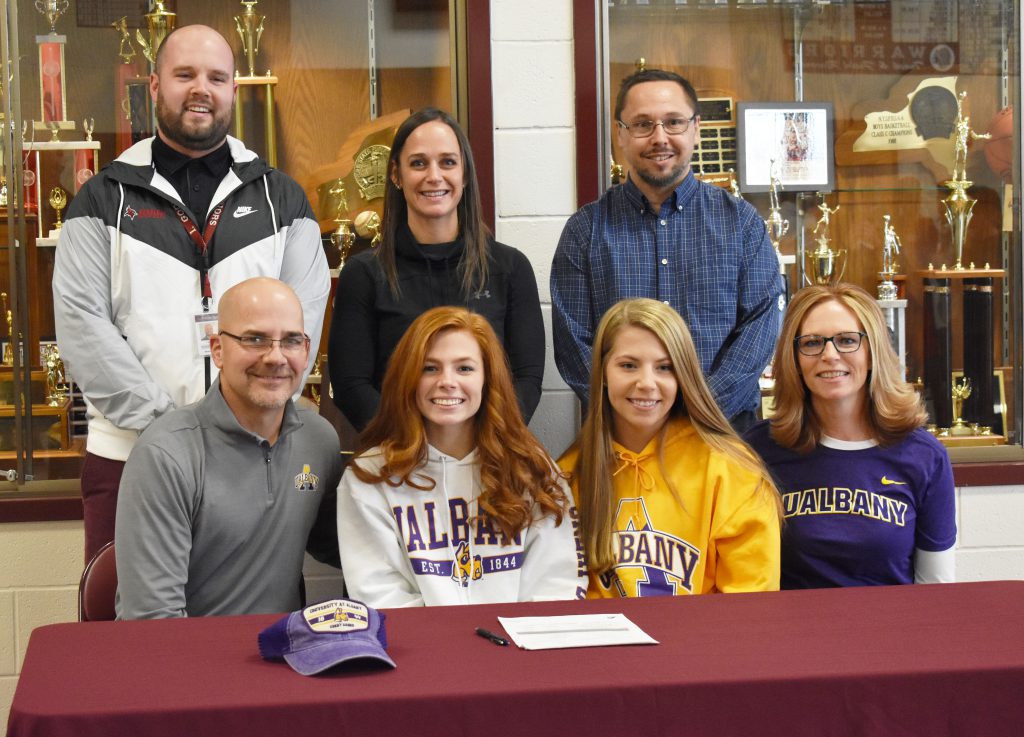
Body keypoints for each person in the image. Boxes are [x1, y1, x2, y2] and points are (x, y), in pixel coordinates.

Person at [53, 25, 330, 562]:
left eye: (216, 77)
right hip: (129, 457)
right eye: (185, 75)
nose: (201, 88)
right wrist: (173, 433)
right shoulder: (100, 198)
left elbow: (303, 323)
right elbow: (83, 326)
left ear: (233, 90)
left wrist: (235, 429)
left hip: (253, 455)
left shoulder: (282, 199)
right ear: (154, 85)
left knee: (249, 631)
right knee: (130, 633)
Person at [551, 68, 781, 431]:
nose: (660, 137)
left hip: (726, 439)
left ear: (696, 129)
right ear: (620, 136)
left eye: (673, 122)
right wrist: (640, 413)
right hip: (624, 446)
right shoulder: (585, 232)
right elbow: (575, 347)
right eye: (642, 124)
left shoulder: (742, 225)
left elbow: (760, 330)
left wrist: (696, 414)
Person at [115, 278, 342, 619]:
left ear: (306, 351)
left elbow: (338, 545)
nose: (276, 357)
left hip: (287, 654)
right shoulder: (166, 454)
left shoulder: (319, 440)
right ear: (218, 350)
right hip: (191, 660)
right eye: (255, 339)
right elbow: (151, 619)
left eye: (291, 341)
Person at [337, 306, 586, 607]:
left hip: (518, 649)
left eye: (464, 368)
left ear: (487, 378)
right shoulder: (370, 476)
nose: (447, 381)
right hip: (419, 652)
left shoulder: (532, 469)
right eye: (429, 368)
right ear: (407, 379)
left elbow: (555, 584)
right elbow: (380, 594)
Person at [329, 108, 544, 432]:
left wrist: (475, 445)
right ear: (396, 175)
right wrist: (413, 448)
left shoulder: (510, 269)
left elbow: (526, 380)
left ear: (465, 174)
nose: (434, 176)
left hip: (489, 456)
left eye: (447, 162)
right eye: (418, 163)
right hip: (398, 461)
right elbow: (351, 386)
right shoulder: (364, 275)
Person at [560, 298, 781, 598]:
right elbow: (561, 598)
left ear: (683, 376)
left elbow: (751, 601)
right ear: (603, 373)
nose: (647, 383)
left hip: (702, 643)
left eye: (664, 368)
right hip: (602, 644)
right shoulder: (568, 475)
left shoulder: (732, 471)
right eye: (628, 365)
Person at [744, 284, 957, 588]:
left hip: (890, 632)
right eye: (812, 343)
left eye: (846, 340)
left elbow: (935, 586)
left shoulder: (924, 456)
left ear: (873, 353)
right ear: (794, 358)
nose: (830, 355)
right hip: (791, 633)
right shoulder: (759, 451)